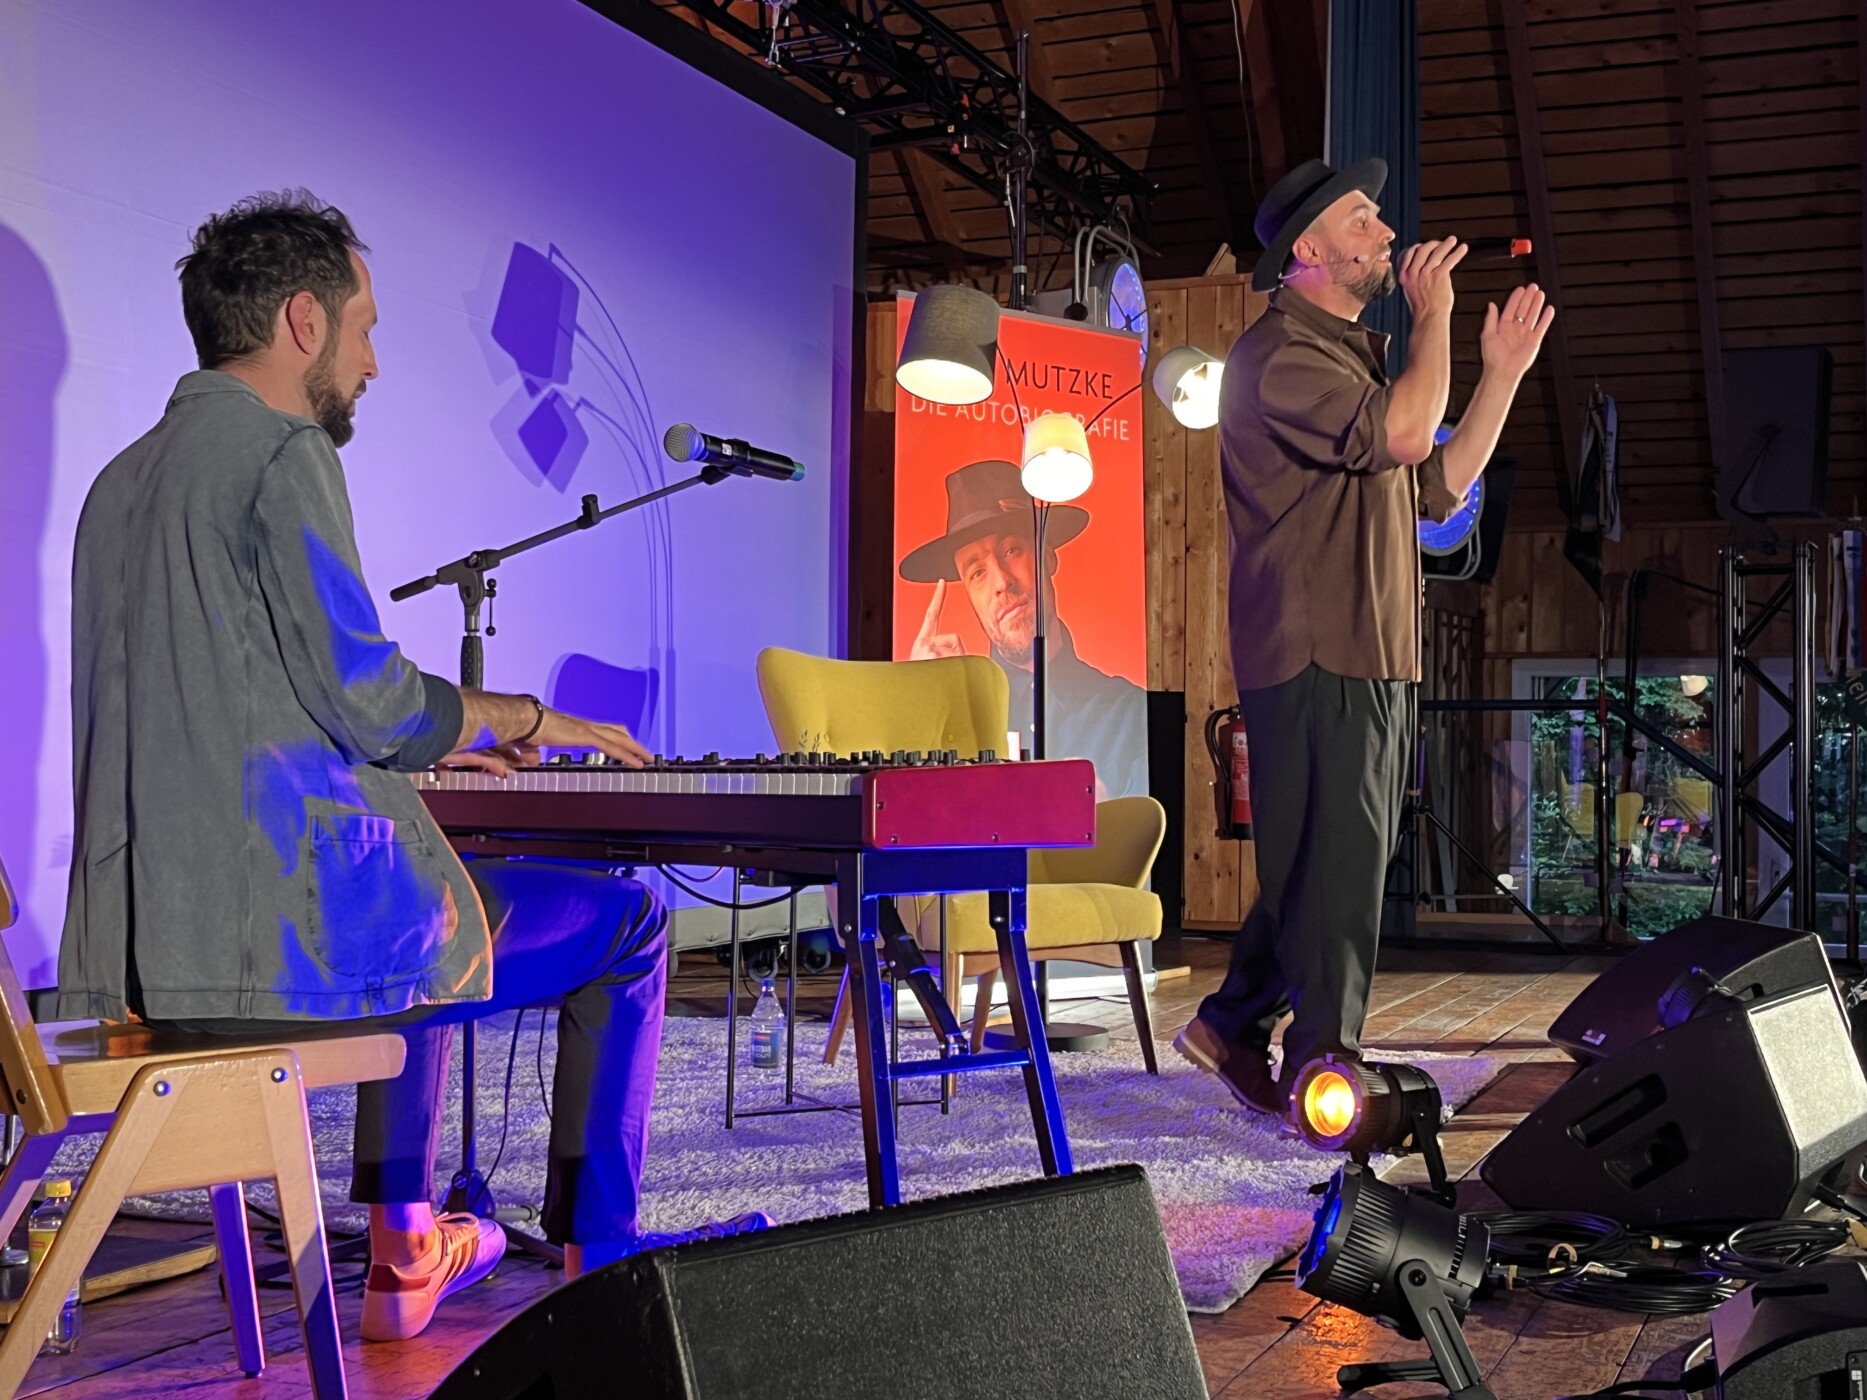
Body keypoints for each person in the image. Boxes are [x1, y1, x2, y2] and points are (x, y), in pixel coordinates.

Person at [56, 190, 767, 1342]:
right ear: (303, 320)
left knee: (421, 878)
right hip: (265, 954)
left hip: (139, 966)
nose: (372, 362)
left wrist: (444, 742)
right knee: (621, 923)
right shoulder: (282, 451)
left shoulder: (118, 483)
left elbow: (238, 706)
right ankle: (603, 1262)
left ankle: (405, 1246)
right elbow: (370, 696)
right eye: (364, 328)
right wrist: (523, 714)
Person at [1173, 158, 1553, 1115]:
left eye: (1378, 219)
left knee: (1336, 857)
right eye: (1361, 220)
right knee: (1334, 864)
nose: (1385, 233)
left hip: (1372, 648)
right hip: (1315, 647)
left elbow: (1440, 488)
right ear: (1307, 249)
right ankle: (1322, 1067)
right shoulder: (1277, 354)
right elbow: (1406, 437)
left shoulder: (1356, 362)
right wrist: (1435, 318)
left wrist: (1502, 373)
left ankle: (1230, 1022)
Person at [902, 458, 1147, 798]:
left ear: (1047, 556)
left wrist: (1104, 819)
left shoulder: (1131, 714)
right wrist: (918, 710)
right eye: (977, 572)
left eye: (1011, 550)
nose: (1001, 582)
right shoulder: (950, 719)